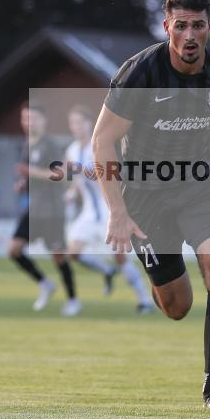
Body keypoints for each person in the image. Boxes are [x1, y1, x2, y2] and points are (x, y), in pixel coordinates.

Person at [91, 0, 210, 410]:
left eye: (198, 25)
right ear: (167, 26)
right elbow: (102, 142)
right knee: (177, 306)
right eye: (181, 25)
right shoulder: (140, 73)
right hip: (144, 197)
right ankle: (160, 282)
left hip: (198, 186)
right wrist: (116, 212)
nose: (189, 35)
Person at [64, 105, 155, 313]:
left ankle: (144, 300)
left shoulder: (101, 144)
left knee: (120, 256)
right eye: (73, 123)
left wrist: (85, 172)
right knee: (73, 252)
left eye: (80, 122)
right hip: (88, 212)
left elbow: (112, 174)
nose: (76, 127)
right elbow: (77, 178)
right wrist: (71, 191)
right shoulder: (71, 150)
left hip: (108, 210)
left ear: (90, 123)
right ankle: (106, 271)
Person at [7, 102, 79, 315]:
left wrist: (30, 172)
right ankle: (45, 284)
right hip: (33, 209)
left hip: (52, 210)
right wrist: (22, 184)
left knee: (58, 256)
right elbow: (31, 176)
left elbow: (59, 176)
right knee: (14, 250)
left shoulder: (51, 145)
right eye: (25, 118)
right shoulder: (27, 144)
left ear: (43, 121)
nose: (28, 122)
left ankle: (73, 300)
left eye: (33, 118)